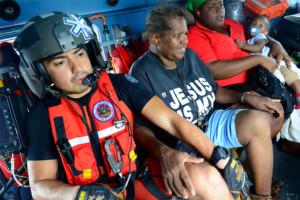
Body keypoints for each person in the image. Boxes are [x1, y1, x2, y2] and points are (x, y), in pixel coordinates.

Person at [14, 12, 237, 200]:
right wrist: (82, 194)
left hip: (135, 181)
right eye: (60, 62)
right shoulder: (42, 116)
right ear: (39, 73)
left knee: (206, 176)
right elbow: (40, 187)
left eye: (80, 54)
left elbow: (172, 121)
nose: (78, 68)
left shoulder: (121, 85)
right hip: (88, 195)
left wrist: (219, 157)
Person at [130, 5, 284, 199]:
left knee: (258, 120)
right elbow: (139, 127)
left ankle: (262, 196)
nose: (185, 41)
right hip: (178, 141)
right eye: (177, 36)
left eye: (185, 34)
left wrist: (246, 97)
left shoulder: (190, 57)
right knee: (208, 179)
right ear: (156, 38)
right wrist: (163, 152)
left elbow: (213, 90)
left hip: (208, 122)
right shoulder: (142, 72)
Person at [235, 15, 300, 157]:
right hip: (267, 67)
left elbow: (258, 46)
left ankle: (297, 94)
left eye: (261, 26)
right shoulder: (250, 34)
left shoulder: (259, 38)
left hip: (272, 63)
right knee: (287, 77)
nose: (256, 26)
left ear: (266, 32)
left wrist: (244, 46)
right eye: (254, 23)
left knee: (289, 75)